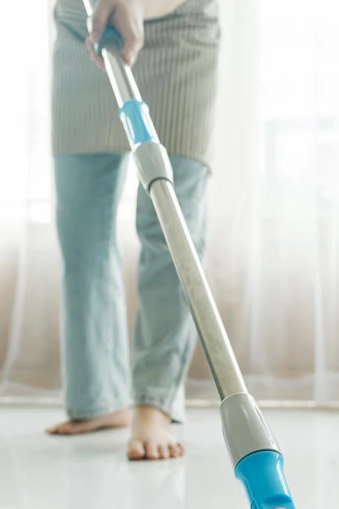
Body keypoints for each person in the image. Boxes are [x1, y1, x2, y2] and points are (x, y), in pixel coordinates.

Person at [46, 0, 219, 460]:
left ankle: (153, 403)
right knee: (81, 226)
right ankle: (99, 396)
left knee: (170, 222)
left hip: (179, 25)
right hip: (82, 28)